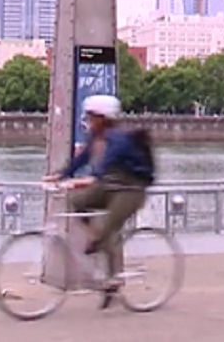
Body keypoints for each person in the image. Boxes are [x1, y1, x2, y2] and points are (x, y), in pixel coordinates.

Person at [43, 94, 155, 306]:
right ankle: (97, 239)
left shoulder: (118, 140)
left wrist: (89, 180)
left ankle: (113, 278)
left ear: (103, 118)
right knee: (76, 202)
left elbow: (106, 164)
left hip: (131, 190)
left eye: (92, 117)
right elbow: (82, 159)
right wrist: (61, 175)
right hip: (110, 186)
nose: (88, 121)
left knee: (108, 230)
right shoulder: (95, 137)